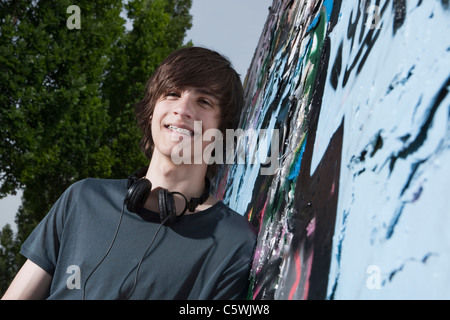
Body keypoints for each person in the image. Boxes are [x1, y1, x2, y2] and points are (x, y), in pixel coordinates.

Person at [2, 47, 256, 300]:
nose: (182, 109)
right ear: (150, 112)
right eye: (171, 94)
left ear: (223, 130)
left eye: (203, 101)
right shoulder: (83, 197)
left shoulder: (234, 242)